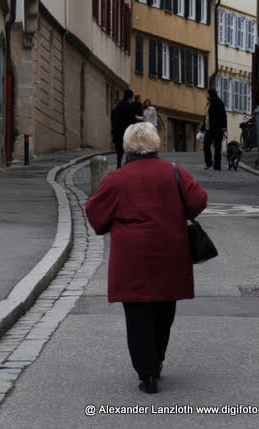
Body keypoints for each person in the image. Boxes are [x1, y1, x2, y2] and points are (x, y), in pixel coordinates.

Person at [85, 122, 207, 394]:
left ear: (127, 146)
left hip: (132, 257)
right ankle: (157, 358)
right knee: (164, 309)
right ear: (155, 143)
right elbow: (198, 200)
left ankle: (147, 372)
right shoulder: (174, 172)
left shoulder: (117, 179)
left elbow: (96, 214)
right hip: (170, 250)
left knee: (137, 314)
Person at [111, 90, 140, 169]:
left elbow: (115, 115)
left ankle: (118, 163)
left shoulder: (120, 104)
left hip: (118, 129)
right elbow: (131, 118)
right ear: (130, 96)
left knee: (119, 148)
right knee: (129, 146)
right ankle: (128, 163)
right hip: (126, 129)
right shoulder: (129, 105)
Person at [200, 88, 227, 171]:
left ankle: (217, 165)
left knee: (217, 147)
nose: (206, 95)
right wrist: (202, 129)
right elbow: (206, 118)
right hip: (208, 129)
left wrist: (224, 127)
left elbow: (223, 115)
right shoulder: (208, 104)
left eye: (207, 94)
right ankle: (209, 162)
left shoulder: (219, 102)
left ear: (211, 94)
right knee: (206, 145)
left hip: (217, 128)